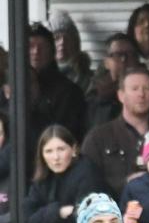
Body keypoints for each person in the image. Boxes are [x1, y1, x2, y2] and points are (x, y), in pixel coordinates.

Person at [82, 66, 149, 198]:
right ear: (121, 95)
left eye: (146, 88)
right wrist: (125, 184)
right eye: (134, 89)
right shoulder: (98, 138)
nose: (141, 94)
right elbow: (87, 187)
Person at [23, 125, 106, 223]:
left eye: (61, 149)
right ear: (42, 155)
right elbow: (27, 219)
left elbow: (86, 218)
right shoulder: (43, 177)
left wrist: (46, 220)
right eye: (49, 151)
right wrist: (60, 212)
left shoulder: (87, 173)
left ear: (74, 150)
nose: (56, 157)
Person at [28, 22, 87, 163]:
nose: (36, 51)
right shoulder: (11, 87)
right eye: (30, 46)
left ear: (52, 52)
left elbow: (68, 135)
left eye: (42, 47)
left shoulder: (69, 91)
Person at [86, 33, 139, 129]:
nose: (124, 60)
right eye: (117, 55)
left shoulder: (147, 93)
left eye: (130, 54)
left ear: (137, 60)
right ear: (107, 63)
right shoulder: (94, 97)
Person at [49, 9, 92, 94]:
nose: (62, 43)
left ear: (75, 42)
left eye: (67, 38)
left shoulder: (85, 76)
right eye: (56, 38)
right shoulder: (39, 75)